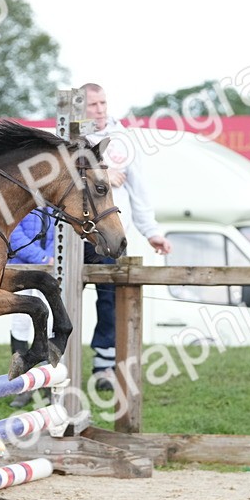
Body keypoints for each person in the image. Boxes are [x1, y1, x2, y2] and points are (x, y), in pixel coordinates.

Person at [81, 83, 172, 391]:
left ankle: (104, 367)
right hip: (75, 231)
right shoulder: (71, 137)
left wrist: (152, 232)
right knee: (61, 295)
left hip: (112, 232)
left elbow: (140, 190)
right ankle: (54, 362)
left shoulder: (124, 141)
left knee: (110, 298)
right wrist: (101, 171)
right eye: (93, 104)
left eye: (103, 102)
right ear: (81, 107)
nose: (100, 109)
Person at [7, 208, 56, 408]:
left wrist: (52, 259)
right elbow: (14, 234)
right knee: (20, 323)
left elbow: (59, 234)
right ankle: (22, 385)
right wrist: (43, 258)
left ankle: (49, 384)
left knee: (51, 323)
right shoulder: (21, 197)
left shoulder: (55, 203)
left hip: (51, 270)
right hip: (21, 270)